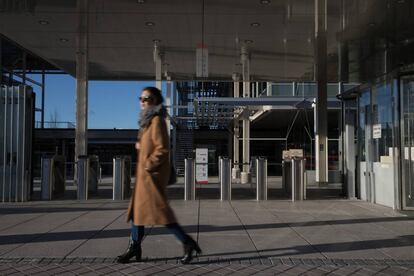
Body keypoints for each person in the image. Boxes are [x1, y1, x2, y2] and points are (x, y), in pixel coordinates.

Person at [117, 87, 201, 264]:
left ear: (155, 100)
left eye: (146, 98)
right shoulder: (146, 122)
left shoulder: (157, 121)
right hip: (144, 178)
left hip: (151, 177)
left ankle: (188, 243)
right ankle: (134, 247)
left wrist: (148, 164)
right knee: (137, 215)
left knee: (162, 215)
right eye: (140, 97)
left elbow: (162, 149)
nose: (142, 100)